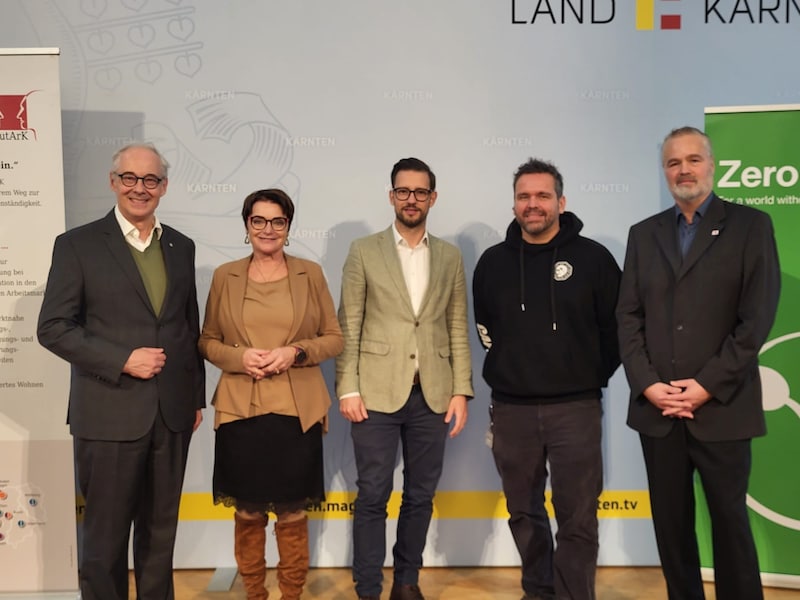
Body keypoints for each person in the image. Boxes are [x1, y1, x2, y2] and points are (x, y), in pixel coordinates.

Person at [616, 126, 781, 600]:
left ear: (712, 165)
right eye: (673, 162)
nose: (683, 170)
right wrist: (648, 384)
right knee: (671, 531)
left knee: (730, 526)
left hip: (722, 407)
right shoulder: (644, 234)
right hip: (658, 411)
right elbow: (627, 317)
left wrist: (705, 385)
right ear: (663, 171)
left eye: (692, 160)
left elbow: (756, 320)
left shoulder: (752, 226)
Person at [37, 143, 205, 600]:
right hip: (108, 414)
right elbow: (52, 328)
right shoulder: (77, 245)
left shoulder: (180, 246)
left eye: (150, 180)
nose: (139, 188)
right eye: (129, 178)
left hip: (170, 416)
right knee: (104, 545)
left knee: (159, 541)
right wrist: (122, 359)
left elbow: (187, 327)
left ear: (164, 187)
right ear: (113, 182)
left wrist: (193, 398)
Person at [473, 158, 621, 600]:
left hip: (575, 409)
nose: (532, 205)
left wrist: (587, 376)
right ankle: (537, 591)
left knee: (578, 517)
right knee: (523, 511)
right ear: (515, 202)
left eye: (542, 196)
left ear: (561, 200)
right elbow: (486, 331)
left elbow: (616, 330)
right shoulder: (492, 263)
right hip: (512, 409)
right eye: (524, 196)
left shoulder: (594, 258)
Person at [336, 157, 473, 600]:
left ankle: (407, 581)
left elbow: (457, 326)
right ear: (391, 195)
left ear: (432, 198)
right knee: (373, 493)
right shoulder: (363, 250)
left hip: (432, 394)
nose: (410, 199)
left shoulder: (450, 256)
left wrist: (460, 390)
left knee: (420, 495)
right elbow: (349, 323)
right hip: (373, 393)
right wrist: (348, 386)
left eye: (419, 192)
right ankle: (369, 588)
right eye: (402, 191)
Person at [198, 188, 343, 600]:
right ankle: (255, 595)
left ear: (288, 227)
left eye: (277, 221)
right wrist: (240, 357)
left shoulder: (310, 273)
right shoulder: (225, 275)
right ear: (246, 226)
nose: (267, 229)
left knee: (293, 510)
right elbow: (207, 341)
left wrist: (295, 352)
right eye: (258, 220)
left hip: (297, 409)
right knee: (247, 511)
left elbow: (333, 339)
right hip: (241, 409)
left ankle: (291, 595)